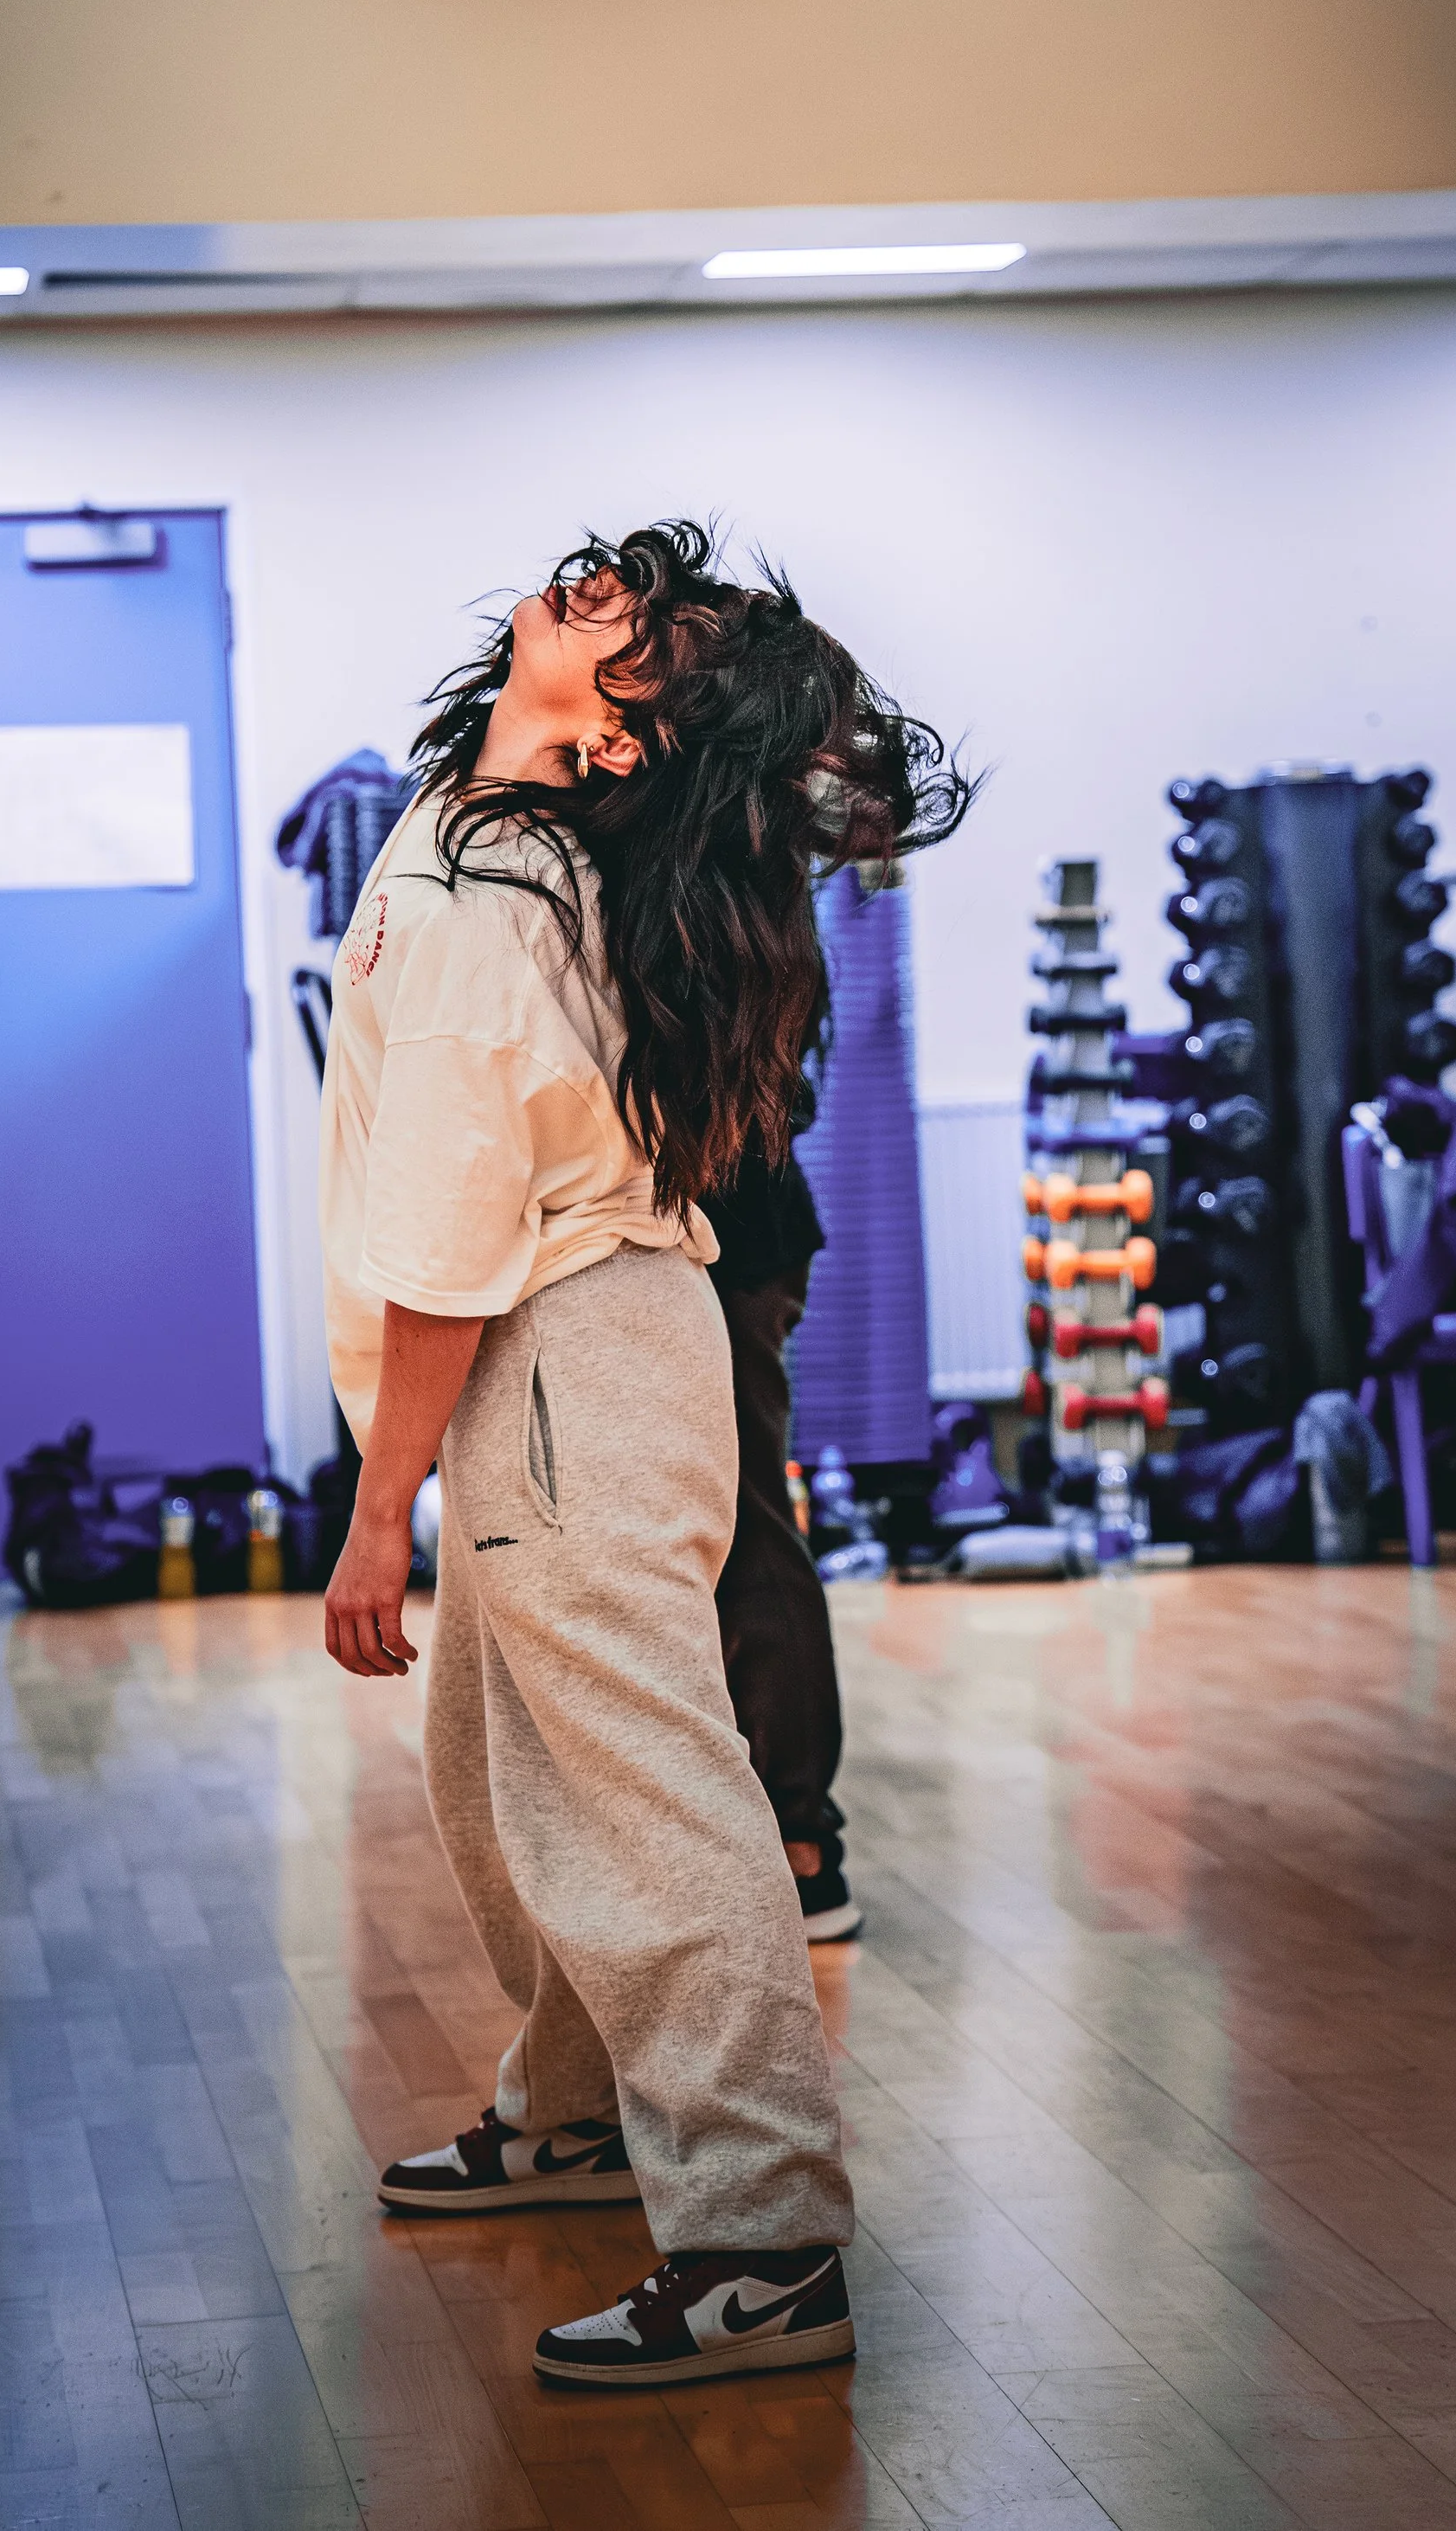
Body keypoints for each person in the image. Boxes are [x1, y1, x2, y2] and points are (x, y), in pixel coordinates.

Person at [317, 524, 971, 2382]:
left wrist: (380, 1513)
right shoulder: (488, 827)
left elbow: (449, 1238)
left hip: (556, 1361)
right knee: (503, 1770)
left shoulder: (492, 897)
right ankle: (576, 2110)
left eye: (647, 634)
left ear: (624, 744)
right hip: (574, 1359)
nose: (593, 588)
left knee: (648, 1804)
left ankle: (762, 2240)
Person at [701, 1115, 863, 1941]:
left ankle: (804, 1847)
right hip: (717, 1242)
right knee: (723, 1530)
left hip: (736, 1245)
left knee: (750, 1527)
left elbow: (773, 1096)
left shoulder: (725, 979)